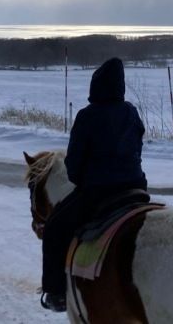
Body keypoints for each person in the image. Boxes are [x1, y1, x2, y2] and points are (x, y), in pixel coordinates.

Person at [40, 57, 148, 312]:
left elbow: (74, 166)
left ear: (95, 86)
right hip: (136, 189)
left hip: (99, 192)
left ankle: (56, 293)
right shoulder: (131, 111)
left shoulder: (87, 116)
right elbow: (138, 148)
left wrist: (82, 179)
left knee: (55, 226)